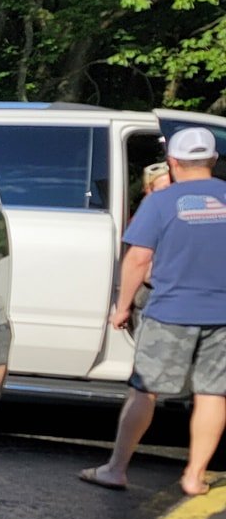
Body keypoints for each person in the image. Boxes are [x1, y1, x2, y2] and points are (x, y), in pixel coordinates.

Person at [83, 125, 226, 496]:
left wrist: (122, 306)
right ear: (212, 160)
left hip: (171, 312)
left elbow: (138, 259)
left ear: (173, 162)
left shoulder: (162, 202)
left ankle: (116, 470)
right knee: (214, 394)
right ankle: (194, 476)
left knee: (145, 391)